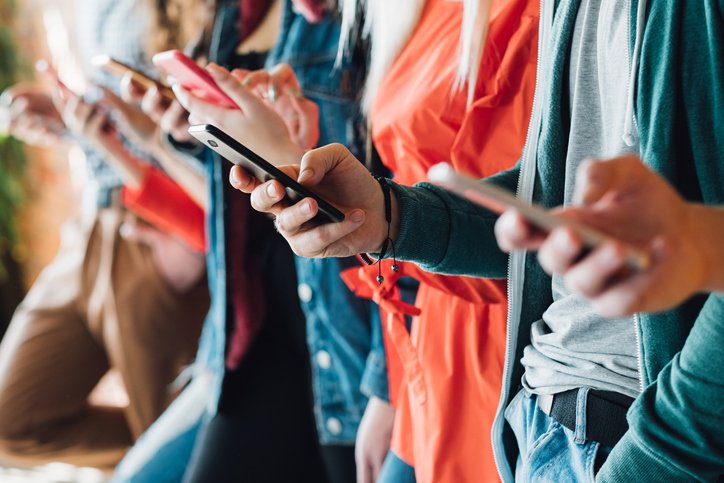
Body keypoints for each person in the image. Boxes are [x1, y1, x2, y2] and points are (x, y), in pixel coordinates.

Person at [231, 0, 724, 481]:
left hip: (631, 433)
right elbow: (549, 199)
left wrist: (656, 460)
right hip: (537, 415)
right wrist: (389, 215)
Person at [114, 1, 328, 481]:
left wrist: (148, 147)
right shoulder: (231, 20)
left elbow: (353, 182)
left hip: (318, 321)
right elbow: (231, 201)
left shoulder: (323, 20)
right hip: (247, 317)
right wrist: (178, 138)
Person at [327, 0, 538, 481]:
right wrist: (391, 385)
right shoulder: (411, 10)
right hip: (431, 345)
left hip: (498, 357)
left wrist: (389, 224)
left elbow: (515, 243)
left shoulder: (526, 17)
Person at [0, 0, 209, 468]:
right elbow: (117, 114)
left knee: (165, 429)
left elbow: (197, 126)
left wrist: (196, 245)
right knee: (11, 426)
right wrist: (61, 115)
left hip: (161, 227)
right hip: (89, 222)